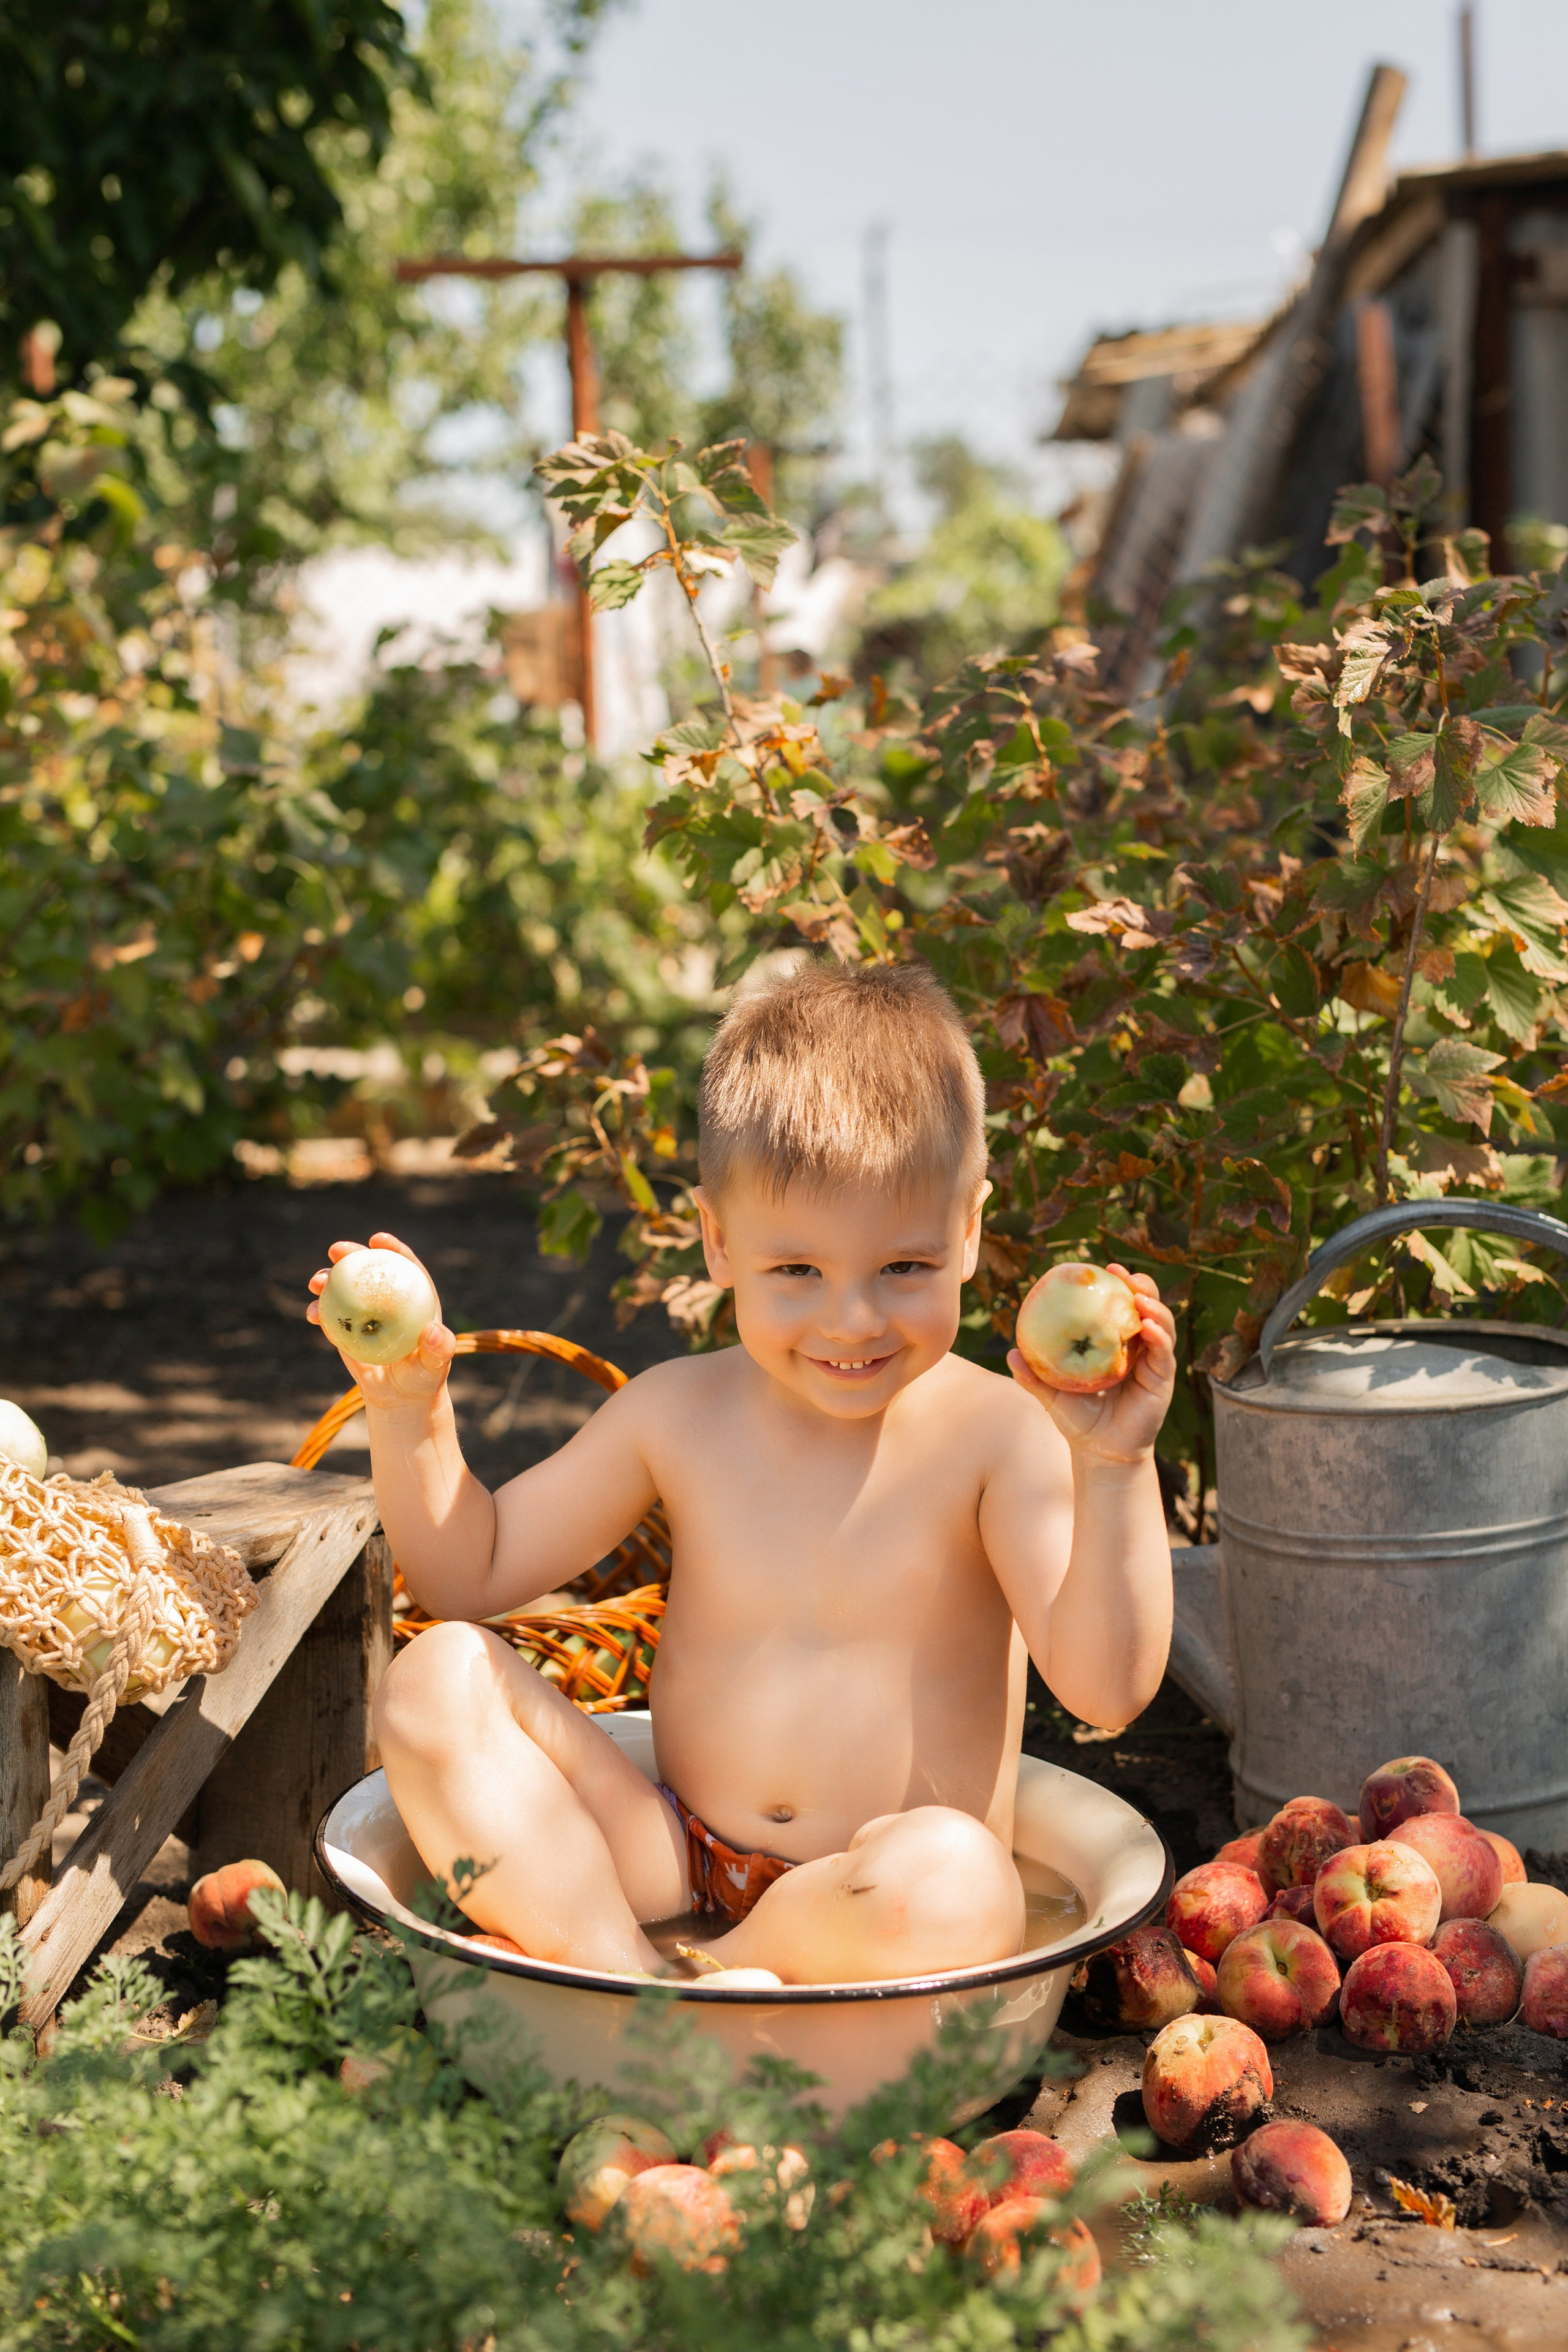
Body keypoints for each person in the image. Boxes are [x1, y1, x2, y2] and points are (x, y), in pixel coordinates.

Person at [307, 960, 1175, 1985]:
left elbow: (1108, 1693)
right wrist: (410, 1411)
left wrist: (1115, 1464)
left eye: (903, 1268)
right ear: (720, 1242)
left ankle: (680, 1992)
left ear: (970, 1231)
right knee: (434, 1677)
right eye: (796, 1270)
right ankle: (625, 1970)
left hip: (875, 1906)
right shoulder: (679, 1412)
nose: (852, 1319)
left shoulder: (997, 1435)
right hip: (667, 1862)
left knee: (958, 1876)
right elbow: (471, 1574)